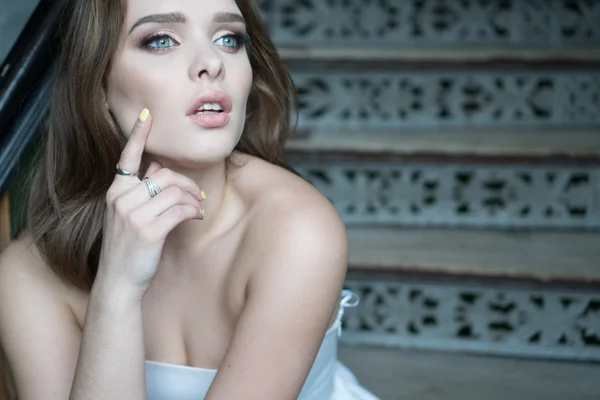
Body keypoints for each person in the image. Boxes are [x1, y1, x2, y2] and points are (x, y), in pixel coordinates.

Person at [0, 0, 380, 399]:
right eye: (161, 39)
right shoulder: (25, 277)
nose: (212, 62)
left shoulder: (298, 230)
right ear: (97, 86)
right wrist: (117, 290)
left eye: (228, 38)